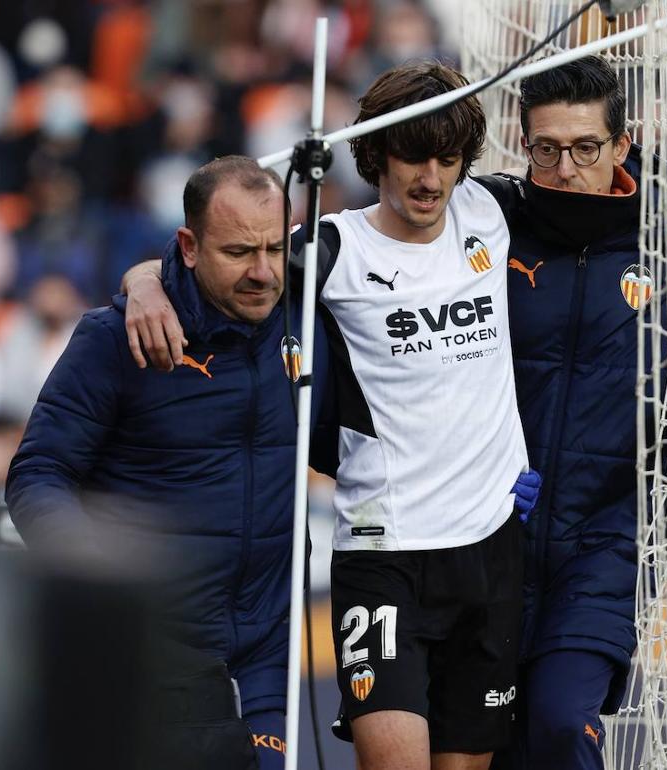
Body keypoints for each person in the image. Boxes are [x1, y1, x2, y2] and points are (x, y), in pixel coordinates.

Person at [124, 62, 539, 770]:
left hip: (490, 549)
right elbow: (218, 263)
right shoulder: (333, 248)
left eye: (446, 159)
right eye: (413, 155)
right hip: (382, 555)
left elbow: (598, 202)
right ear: (377, 155)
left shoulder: (492, 211)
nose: (431, 179)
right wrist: (142, 283)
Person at [483, 55, 667, 769]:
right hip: (490, 531)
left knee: (562, 722)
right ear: (523, 143)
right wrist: (159, 275)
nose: (565, 166)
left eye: (586, 147)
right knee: (493, 747)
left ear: (623, 147)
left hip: (608, 537)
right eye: (546, 148)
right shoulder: (490, 225)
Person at [6, 156, 319, 770]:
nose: (263, 272)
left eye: (276, 249)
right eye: (238, 253)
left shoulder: (309, 315)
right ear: (189, 246)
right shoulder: (114, 339)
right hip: (159, 645)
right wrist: (99, 576)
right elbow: (37, 474)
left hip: (270, 644)